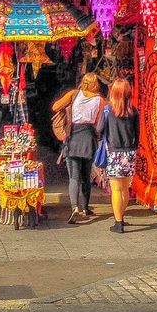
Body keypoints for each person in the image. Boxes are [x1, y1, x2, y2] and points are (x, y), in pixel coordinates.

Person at [53, 72, 104, 224]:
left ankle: (75, 207)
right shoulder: (100, 101)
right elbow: (99, 123)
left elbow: (55, 107)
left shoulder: (74, 94)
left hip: (73, 136)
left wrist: (69, 107)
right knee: (86, 176)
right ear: (96, 84)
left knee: (74, 177)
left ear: (83, 82)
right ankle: (85, 207)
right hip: (89, 137)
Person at [104, 76, 139, 234]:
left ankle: (118, 223)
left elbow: (99, 129)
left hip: (114, 153)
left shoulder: (108, 110)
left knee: (116, 190)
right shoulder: (133, 111)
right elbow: (137, 134)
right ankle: (121, 217)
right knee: (125, 188)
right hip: (130, 152)